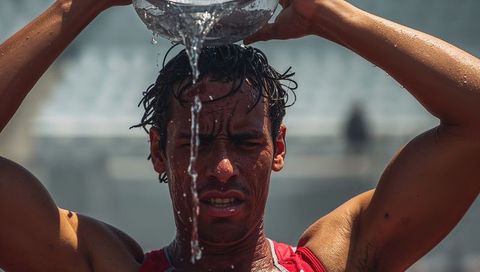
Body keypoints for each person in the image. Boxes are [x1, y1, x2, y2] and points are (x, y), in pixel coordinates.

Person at [0, 0, 479, 271]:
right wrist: (75, 8)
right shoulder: (106, 266)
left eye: (247, 143)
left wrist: (325, 15)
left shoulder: (335, 262)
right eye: (198, 142)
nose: (223, 168)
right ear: (158, 153)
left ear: (279, 148)